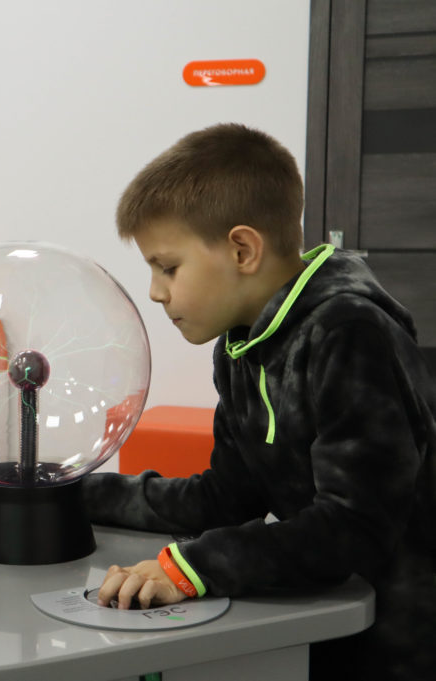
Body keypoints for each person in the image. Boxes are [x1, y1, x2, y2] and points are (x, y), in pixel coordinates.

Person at [82, 123, 436, 680]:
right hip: (327, 619)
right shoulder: (241, 347)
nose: (155, 291)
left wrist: (192, 566)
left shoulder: (349, 332)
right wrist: (79, 493)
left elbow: (356, 527)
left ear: (242, 250)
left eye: (168, 267)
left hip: (399, 641)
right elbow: (225, 498)